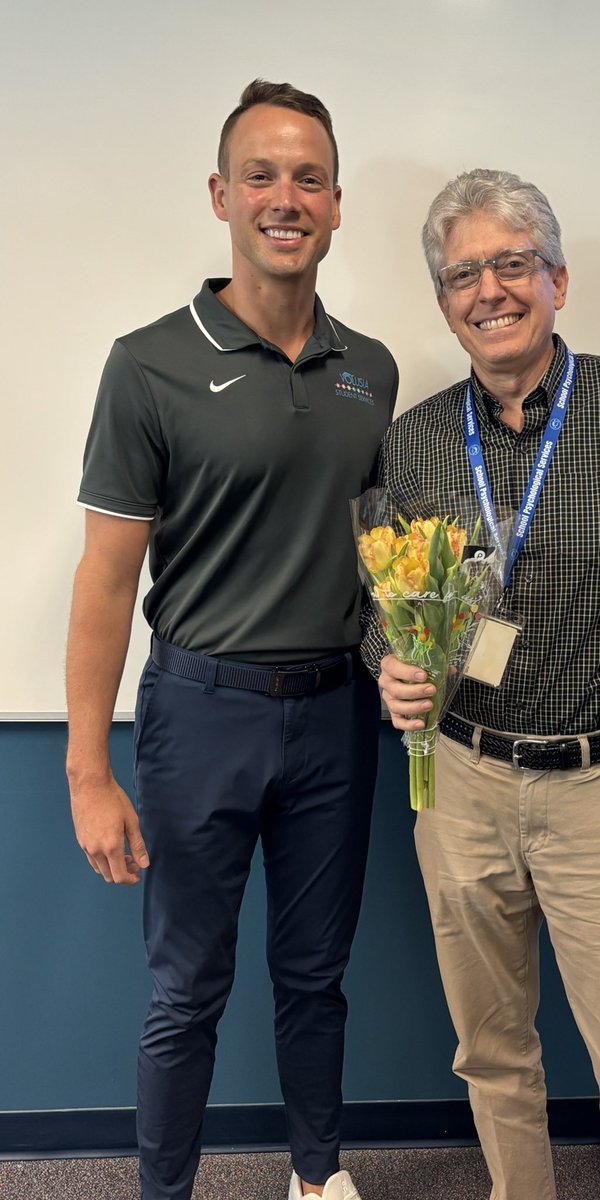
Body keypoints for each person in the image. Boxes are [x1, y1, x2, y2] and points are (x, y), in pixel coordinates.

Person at [66, 80, 397, 1200]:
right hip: (199, 714)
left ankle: (317, 1179)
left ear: (339, 205)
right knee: (184, 991)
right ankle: (165, 1191)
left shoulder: (371, 371)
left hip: (337, 719)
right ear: (221, 194)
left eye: (309, 178)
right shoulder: (148, 362)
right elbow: (107, 580)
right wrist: (86, 770)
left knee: (316, 979)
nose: (284, 197)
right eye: (261, 174)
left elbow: (386, 558)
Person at [370, 169, 600, 1200]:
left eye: (512, 264)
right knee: (491, 1057)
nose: (490, 290)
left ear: (557, 280)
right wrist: (387, 665)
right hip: (462, 788)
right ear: (446, 304)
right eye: (464, 275)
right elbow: (381, 612)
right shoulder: (417, 437)